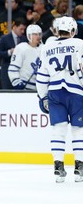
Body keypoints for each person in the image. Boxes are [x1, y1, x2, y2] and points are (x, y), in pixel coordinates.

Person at [36, 16, 83, 183]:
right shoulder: (80, 44)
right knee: (78, 129)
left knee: (58, 129)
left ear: (56, 30)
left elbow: (41, 77)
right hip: (76, 92)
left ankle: (58, 166)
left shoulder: (47, 47)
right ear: (72, 31)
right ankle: (79, 167)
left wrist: (42, 97)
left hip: (54, 91)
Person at [0, 17, 27, 89]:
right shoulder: (4, 38)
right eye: (21, 29)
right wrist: (9, 52)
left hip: (21, 72)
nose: (23, 31)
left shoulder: (24, 39)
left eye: (24, 29)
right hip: (7, 71)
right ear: (14, 27)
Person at [8, 24, 43, 90]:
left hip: (40, 88)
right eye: (35, 34)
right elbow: (13, 67)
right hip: (25, 87)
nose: (38, 36)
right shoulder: (21, 48)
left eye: (39, 34)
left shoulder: (44, 49)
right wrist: (16, 82)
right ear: (29, 35)